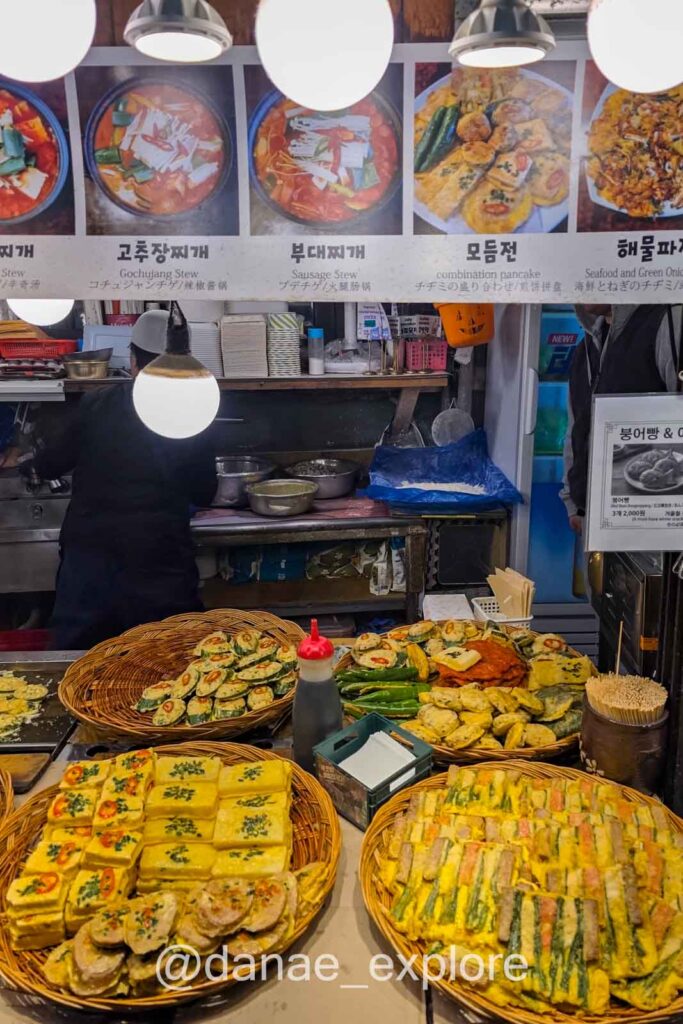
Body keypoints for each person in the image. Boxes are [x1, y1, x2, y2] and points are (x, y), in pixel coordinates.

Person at [32, 309, 217, 649]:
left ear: (132, 360)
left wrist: (32, 457)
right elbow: (205, 491)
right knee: (167, 666)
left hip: (91, 566)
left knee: (80, 666)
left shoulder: (96, 405)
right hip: (159, 565)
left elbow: (48, 465)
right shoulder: (195, 412)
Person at [562, 304, 682, 533]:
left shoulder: (668, 323)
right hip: (599, 520)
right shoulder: (585, 348)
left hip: (658, 523)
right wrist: (573, 501)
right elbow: (575, 430)